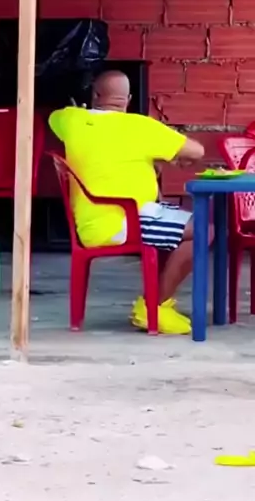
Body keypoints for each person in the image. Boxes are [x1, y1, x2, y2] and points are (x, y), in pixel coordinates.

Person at [48, 69, 210, 335]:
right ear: (129, 99)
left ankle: (159, 300)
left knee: (184, 224)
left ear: (95, 95)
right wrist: (166, 154)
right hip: (123, 222)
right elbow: (197, 151)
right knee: (204, 230)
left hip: (94, 222)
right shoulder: (141, 127)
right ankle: (153, 306)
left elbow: (55, 119)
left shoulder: (70, 120)